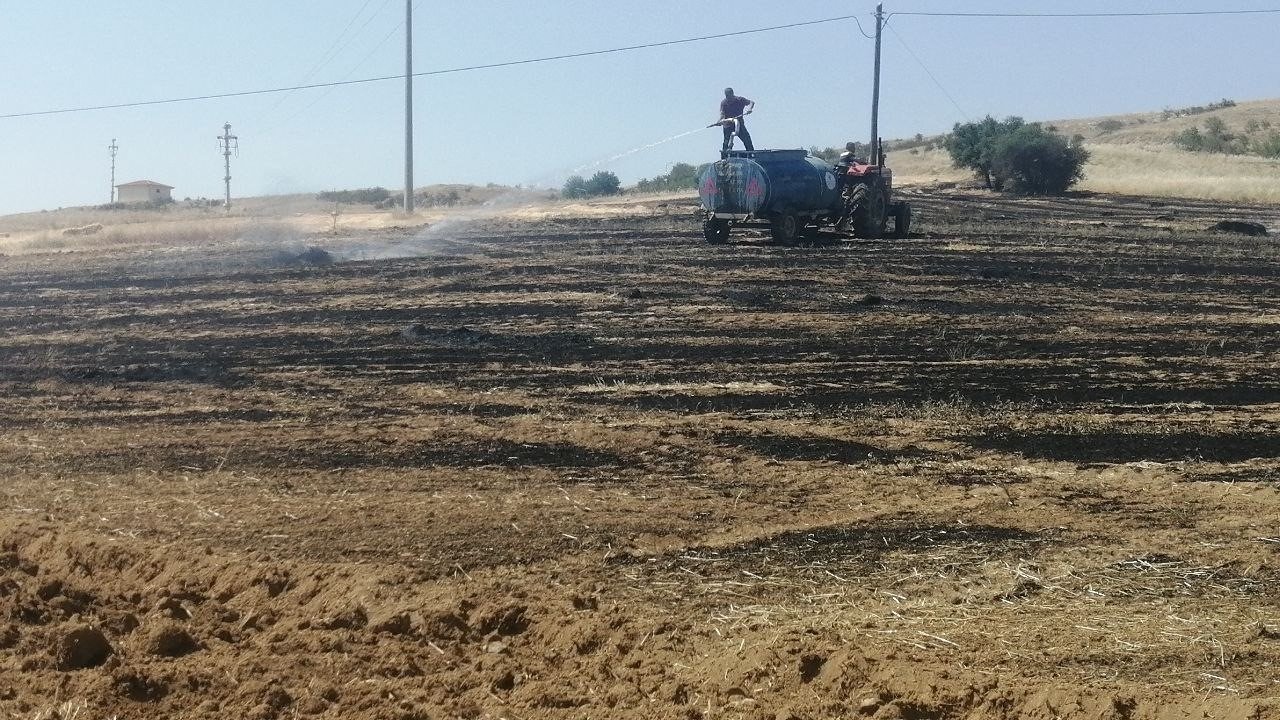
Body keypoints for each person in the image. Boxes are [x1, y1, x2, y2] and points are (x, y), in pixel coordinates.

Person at [718, 88, 755, 152]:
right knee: (726, 142)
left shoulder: (740, 99)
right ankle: (724, 157)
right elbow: (722, 114)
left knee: (747, 140)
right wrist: (719, 121)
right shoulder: (724, 103)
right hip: (728, 125)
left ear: (732, 94)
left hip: (739, 124)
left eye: (729, 96)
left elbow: (751, 102)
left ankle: (751, 154)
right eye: (726, 96)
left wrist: (750, 109)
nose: (728, 98)